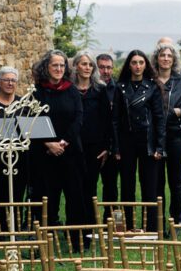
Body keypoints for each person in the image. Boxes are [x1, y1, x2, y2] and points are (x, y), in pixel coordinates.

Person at [28, 49, 83, 227]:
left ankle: (76, 240)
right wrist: (48, 144)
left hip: (70, 151)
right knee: (46, 198)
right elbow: (30, 120)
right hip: (44, 154)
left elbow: (78, 118)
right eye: (55, 65)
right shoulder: (37, 92)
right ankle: (46, 239)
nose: (59, 69)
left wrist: (64, 142)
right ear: (46, 67)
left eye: (62, 65)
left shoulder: (72, 90)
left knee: (74, 196)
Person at [112, 50, 164, 230]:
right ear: (129, 65)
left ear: (145, 65)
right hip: (126, 142)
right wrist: (116, 147)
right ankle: (127, 226)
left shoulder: (153, 87)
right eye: (134, 62)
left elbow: (159, 118)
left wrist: (160, 146)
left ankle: (150, 227)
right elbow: (115, 119)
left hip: (148, 142)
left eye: (141, 62)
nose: (137, 66)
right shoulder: (121, 87)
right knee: (127, 185)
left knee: (149, 186)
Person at [151, 42, 181, 227]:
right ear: (157, 58)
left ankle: (177, 219)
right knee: (157, 180)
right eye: (162, 55)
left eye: (169, 56)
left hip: (177, 135)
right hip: (155, 136)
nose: (165, 59)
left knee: (176, 178)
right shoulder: (151, 80)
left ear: (174, 60)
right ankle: (158, 220)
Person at [71, 50, 111, 221]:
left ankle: (91, 226)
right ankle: (74, 226)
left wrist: (106, 147)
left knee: (90, 186)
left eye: (90, 65)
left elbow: (107, 120)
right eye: (83, 64)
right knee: (74, 186)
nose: (87, 68)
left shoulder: (100, 90)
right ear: (76, 67)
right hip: (73, 145)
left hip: (94, 146)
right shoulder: (69, 89)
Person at [0, 65, 27, 211]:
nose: (10, 83)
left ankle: (15, 230)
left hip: (19, 157)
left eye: (13, 80)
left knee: (18, 194)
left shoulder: (23, 104)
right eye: (6, 80)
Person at [95, 53, 120, 211]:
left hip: (112, 145)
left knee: (111, 186)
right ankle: (89, 222)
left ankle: (110, 221)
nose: (105, 71)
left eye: (109, 67)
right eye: (102, 67)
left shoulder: (117, 89)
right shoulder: (89, 89)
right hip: (93, 144)